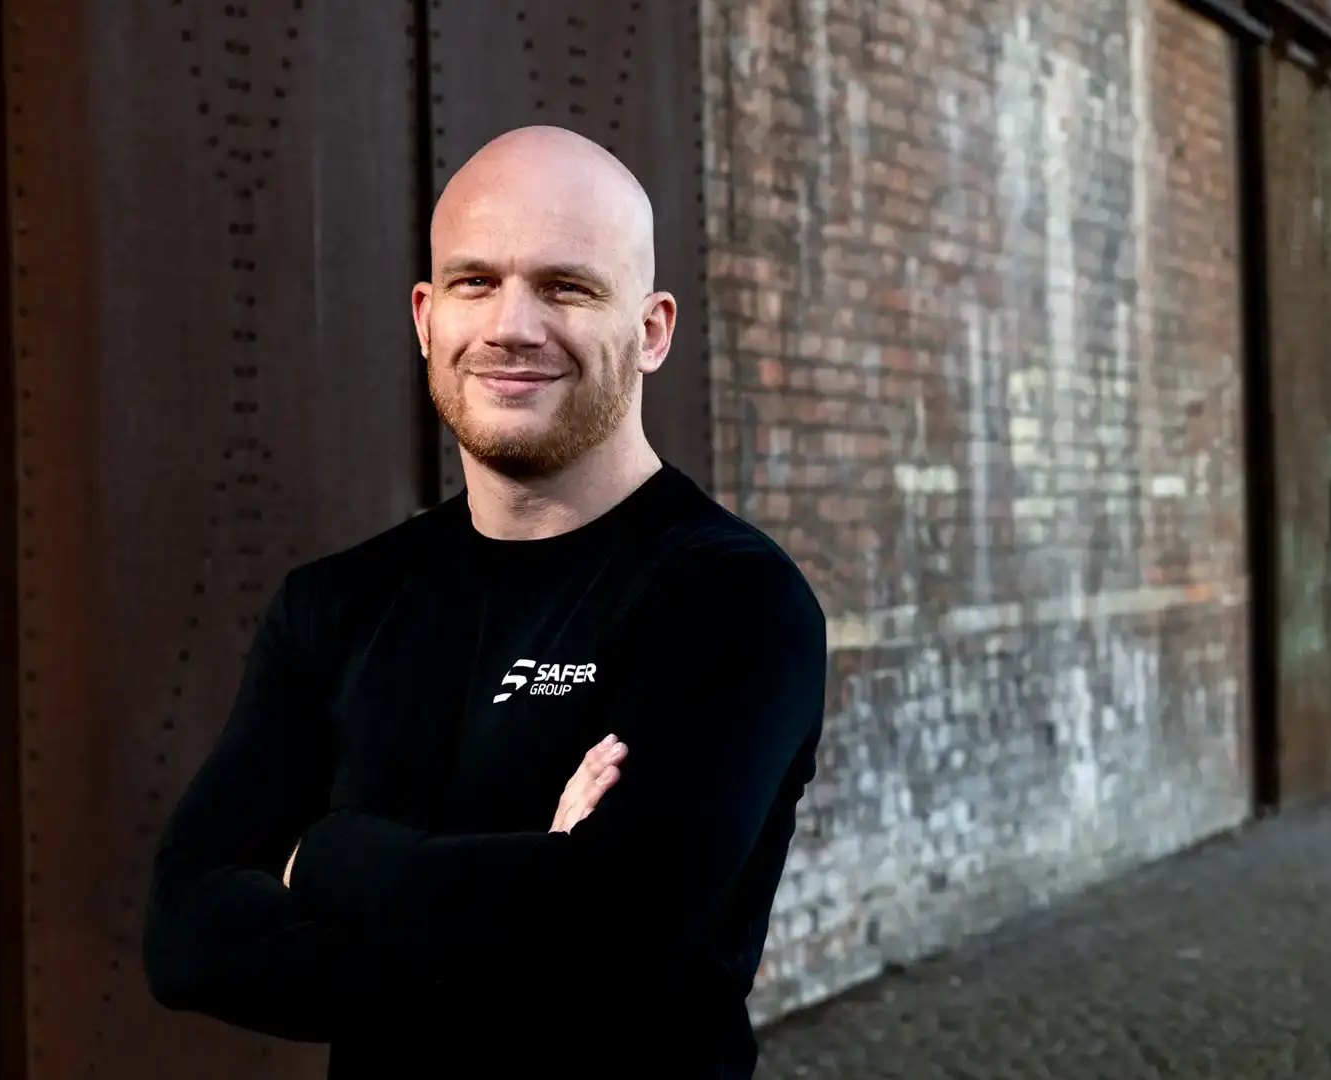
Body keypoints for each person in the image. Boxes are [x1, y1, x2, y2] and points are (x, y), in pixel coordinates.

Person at [140, 125, 828, 1078]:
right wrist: (527, 896)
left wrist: (333, 857)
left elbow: (614, 941)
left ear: (653, 330)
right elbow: (185, 936)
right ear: (427, 317)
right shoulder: (335, 605)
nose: (511, 325)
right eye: (475, 281)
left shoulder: (729, 599)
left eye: (566, 286)